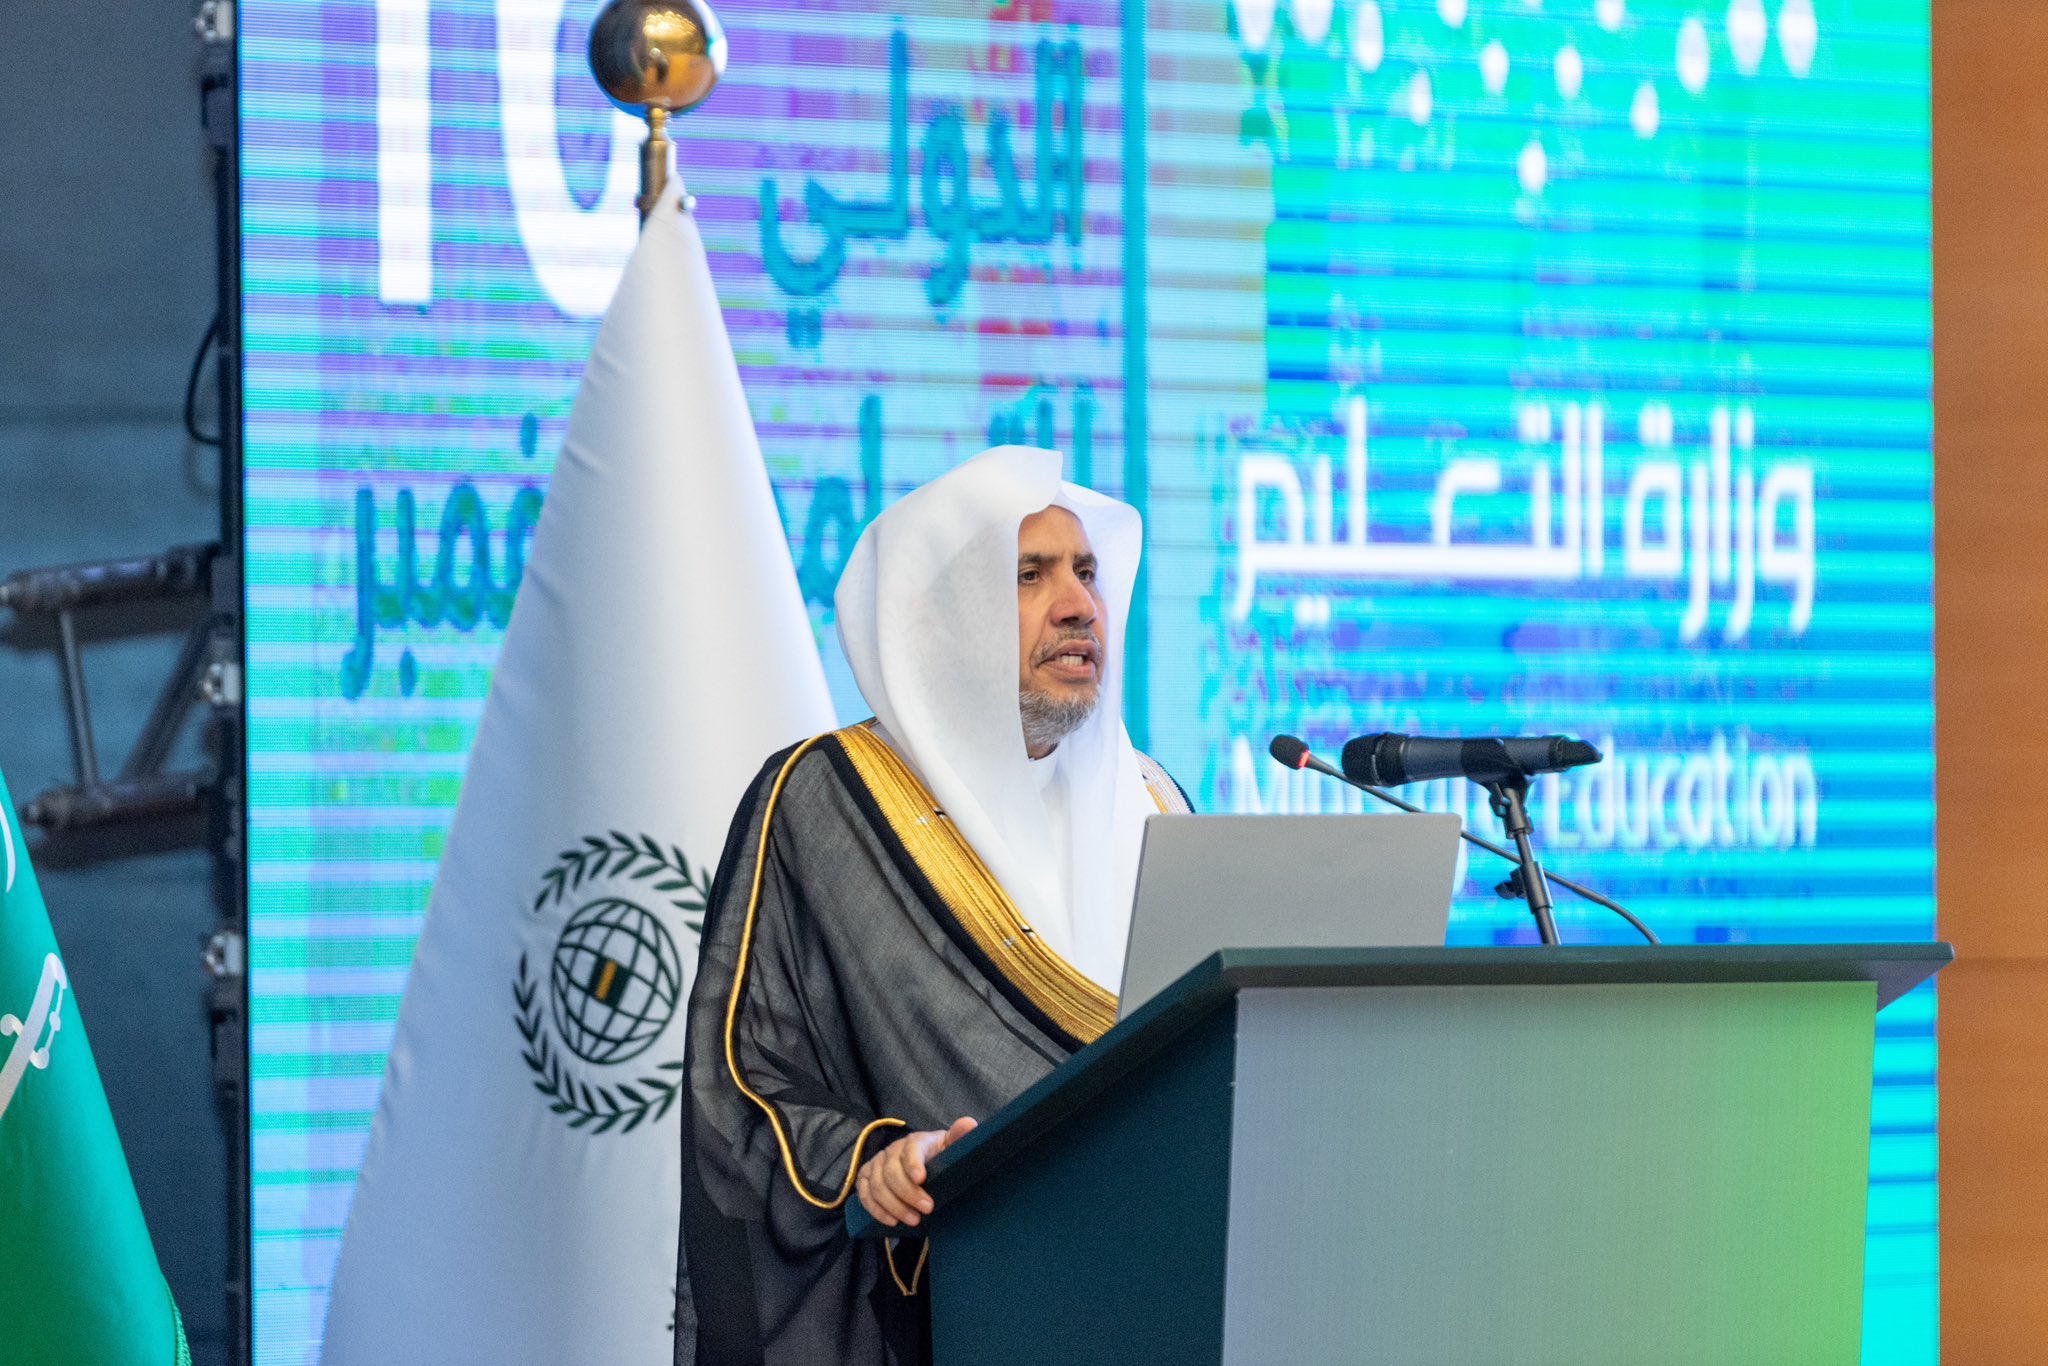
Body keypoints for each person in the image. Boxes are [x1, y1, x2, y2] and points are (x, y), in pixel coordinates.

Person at [675, 446, 1191, 1366]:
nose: (1079, 605)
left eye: (1086, 572)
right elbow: (744, 1083)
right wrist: (871, 1161)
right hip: (952, 1310)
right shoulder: (829, 800)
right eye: (1031, 575)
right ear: (948, 613)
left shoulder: (1155, 801)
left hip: (1161, 1295)